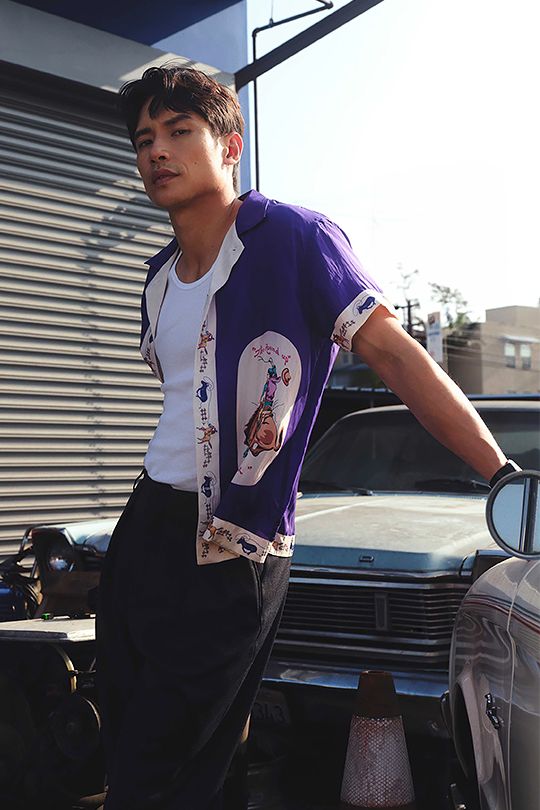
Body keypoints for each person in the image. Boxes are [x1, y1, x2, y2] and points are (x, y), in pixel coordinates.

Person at [95, 65, 518, 810]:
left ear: (230, 144)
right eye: (144, 139)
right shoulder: (158, 276)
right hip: (144, 530)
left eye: (178, 131)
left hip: (229, 546)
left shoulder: (293, 237)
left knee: (164, 767)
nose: (156, 151)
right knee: (129, 742)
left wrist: (503, 473)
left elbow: (395, 356)